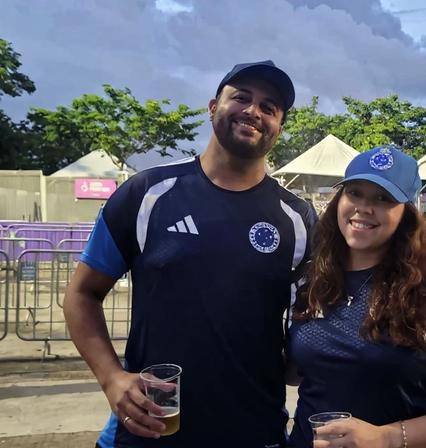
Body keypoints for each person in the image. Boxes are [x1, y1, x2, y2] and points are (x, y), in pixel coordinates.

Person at [63, 60, 320, 447]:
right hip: (150, 426)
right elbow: (82, 294)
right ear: (213, 107)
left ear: (278, 128)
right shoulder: (146, 194)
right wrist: (111, 377)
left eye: (269, 107)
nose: (254, 111)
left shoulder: (298, 218)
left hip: (253, 429)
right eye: (242, 98)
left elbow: (314, 323)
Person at [288, 146, 426, 448]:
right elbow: (295, 370)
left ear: (406, 214)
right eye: (355, 193)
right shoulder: (311, 277)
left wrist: (385, 437)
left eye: (383, 198)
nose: (364, 207)